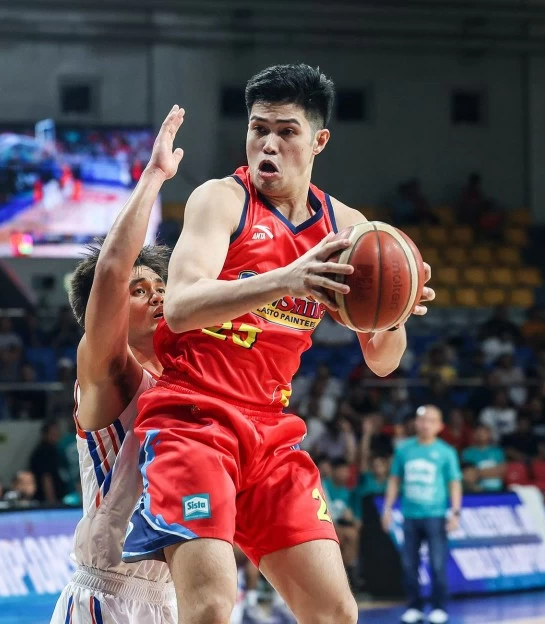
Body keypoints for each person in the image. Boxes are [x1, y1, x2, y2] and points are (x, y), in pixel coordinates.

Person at [121, 64, 433, 624]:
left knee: (336, 613)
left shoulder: (348, 230)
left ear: (318, 140)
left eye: (286, 131)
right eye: (257, 128)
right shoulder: (221, 200)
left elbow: (383, 362)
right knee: (213, 608)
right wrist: (288, 278)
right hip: (193, 424)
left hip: (269, 435)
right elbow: (181, 306)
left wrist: (391, 312)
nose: (268, 143)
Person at [48, 105, 185, 624]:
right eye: (138, 289)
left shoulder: (187, 375)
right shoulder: (108, 368)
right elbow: (110, 268)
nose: (156, 296)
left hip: (169, 595)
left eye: (160, 287)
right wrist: (154, 176)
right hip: (106, 597)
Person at [380, 405, 462, 624]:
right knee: (409, 565)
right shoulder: (404, 449)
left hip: (435, 515)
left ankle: (439, 606)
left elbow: (454, 483)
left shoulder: (446, 452)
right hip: (410, 515)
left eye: (431, 420)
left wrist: (455, 512)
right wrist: (387, 509)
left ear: (440, 426)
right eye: (422, 419)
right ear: (415, 423)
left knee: (437, 563)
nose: (425, 424)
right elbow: (394, 480)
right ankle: (414, 606)